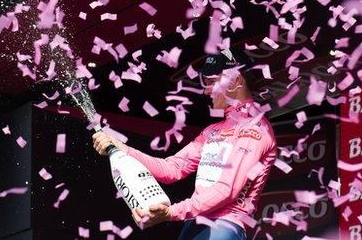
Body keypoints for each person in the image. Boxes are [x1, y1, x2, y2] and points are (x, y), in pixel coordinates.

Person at [92, 49, 277, 240]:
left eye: (211, 81)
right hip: (194, 225)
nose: (205, 90)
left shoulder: (255, 127)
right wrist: (123, 149)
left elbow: (227, 190)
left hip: (223, 226)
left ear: (237, 80)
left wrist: (172, 212)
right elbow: (172, 168)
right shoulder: (213, 131)